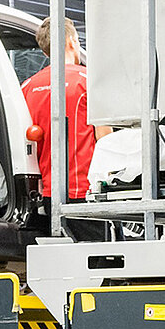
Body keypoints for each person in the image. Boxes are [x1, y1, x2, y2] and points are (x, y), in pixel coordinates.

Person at [21, 17, 104, 208]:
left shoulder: (27, 88)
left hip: (47, 194)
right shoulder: (89, 81)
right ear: (72, 41)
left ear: (45, 51)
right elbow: (104, 138)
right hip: (87, 190)